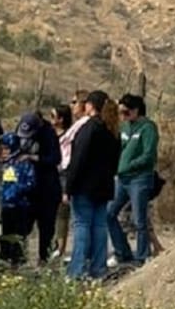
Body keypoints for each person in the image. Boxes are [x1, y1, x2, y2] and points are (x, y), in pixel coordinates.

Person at [65, 91, 121, 280]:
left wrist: (69, 187)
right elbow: (115, 162)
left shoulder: (89, 128)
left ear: (91, 106)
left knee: (81, 226)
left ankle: (77, 270)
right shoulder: (111, 130)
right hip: (104, 187)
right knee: (99, 227)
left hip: (84, 187)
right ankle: (98, 267)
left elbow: (78, 159)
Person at [107, 94, 159, 266]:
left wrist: (128, 165)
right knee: (109, 213)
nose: (123, 116)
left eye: (126, 112)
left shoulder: (148, 128)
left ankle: (142, 256)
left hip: (139, 178)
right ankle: (122, 250)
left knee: (139, 219)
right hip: (122, 179)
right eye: (121, 112)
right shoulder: (124, 128)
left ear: (136, 110)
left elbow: (148, 155)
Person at [0, 121, 39, 268]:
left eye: (6, 148)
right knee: (5, 233)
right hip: (6, 205)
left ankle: (17, 259)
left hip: (20, 205)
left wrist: (16, 192)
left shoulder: (23, 163)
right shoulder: (4, 164)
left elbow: (31, 183)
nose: (3, 151)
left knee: (19, 234)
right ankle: (4, 258)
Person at [27, 111, 63, 264]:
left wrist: (36, 158)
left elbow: (56, 158)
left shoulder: (49, 134)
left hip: (48, 187)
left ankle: (44, 259)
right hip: (28, 188)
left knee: (46, 227)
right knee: (24, 225)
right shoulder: (25, 131)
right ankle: (18, 259)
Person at [50, 103, 74, 259]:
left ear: (61, 119)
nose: (51, 119)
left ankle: (61, 247)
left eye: (53, 116)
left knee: (62, 212)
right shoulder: (49, 135)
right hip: (51, 175)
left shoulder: (69, 137)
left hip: (64, 174)